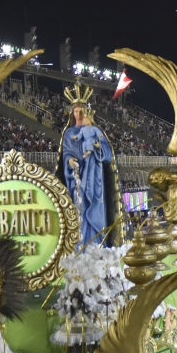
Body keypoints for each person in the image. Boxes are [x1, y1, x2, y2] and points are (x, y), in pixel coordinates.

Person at [58, 84, 117, 247]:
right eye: (76, 111)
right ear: (72, 113)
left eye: (81, 111)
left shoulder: (95, 130)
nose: (79, 114)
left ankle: (98, 243)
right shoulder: (69, 133)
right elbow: (66, 153)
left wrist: (98, 147)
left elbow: (107, 154)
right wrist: (69, 160)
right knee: (80, 209)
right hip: (76, 177)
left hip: (94, 175)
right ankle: (80, 247)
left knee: (96, 205)